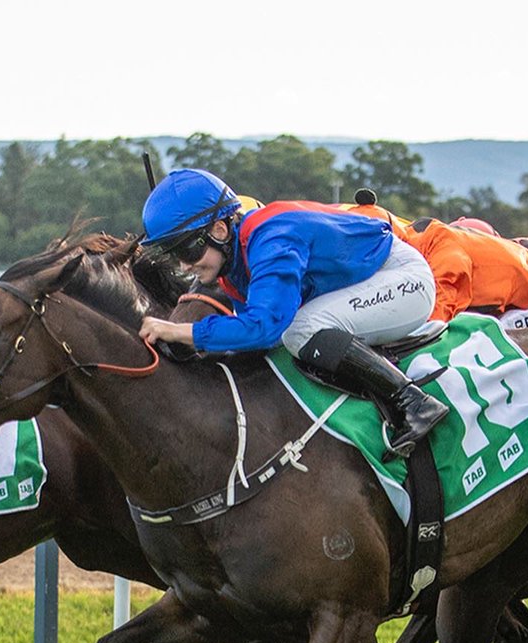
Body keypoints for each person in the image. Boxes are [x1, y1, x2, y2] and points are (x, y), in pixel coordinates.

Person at [137, 169, 448, 457]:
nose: (184, 266)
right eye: (173, 254)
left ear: (220, 229)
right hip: (368, 281)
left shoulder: (272, 238)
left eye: (187, 250)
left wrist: (180, 331)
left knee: (300, 329)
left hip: (404, 281)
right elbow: (255, 341)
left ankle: (413, 401)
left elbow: (264, 327)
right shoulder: (232, 265)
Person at [346, 196, 528, 331]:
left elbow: (437, 316)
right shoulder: (413, 239)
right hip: (510, 288)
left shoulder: (442, 252)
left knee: (488, 342)